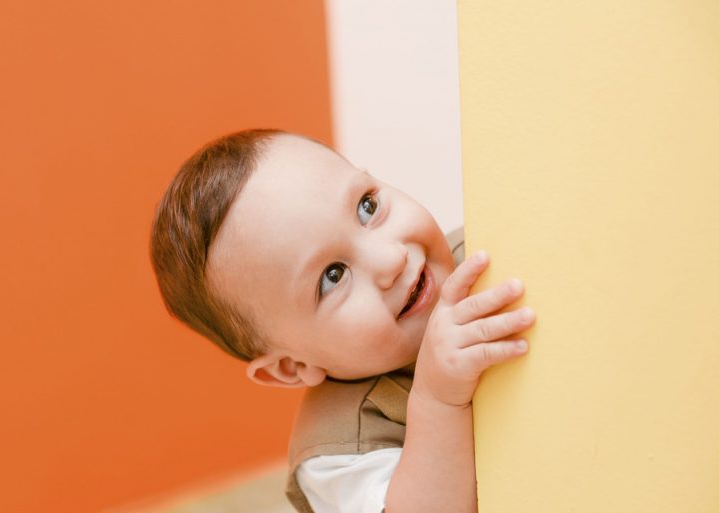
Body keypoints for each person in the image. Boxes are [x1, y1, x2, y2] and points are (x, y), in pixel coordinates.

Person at [149, 129, 536, 513]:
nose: (390, 259)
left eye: (367, 207)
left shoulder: (481, 252)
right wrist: (437, 399)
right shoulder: (339, 452)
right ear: (292, 366)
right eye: (333, 276)